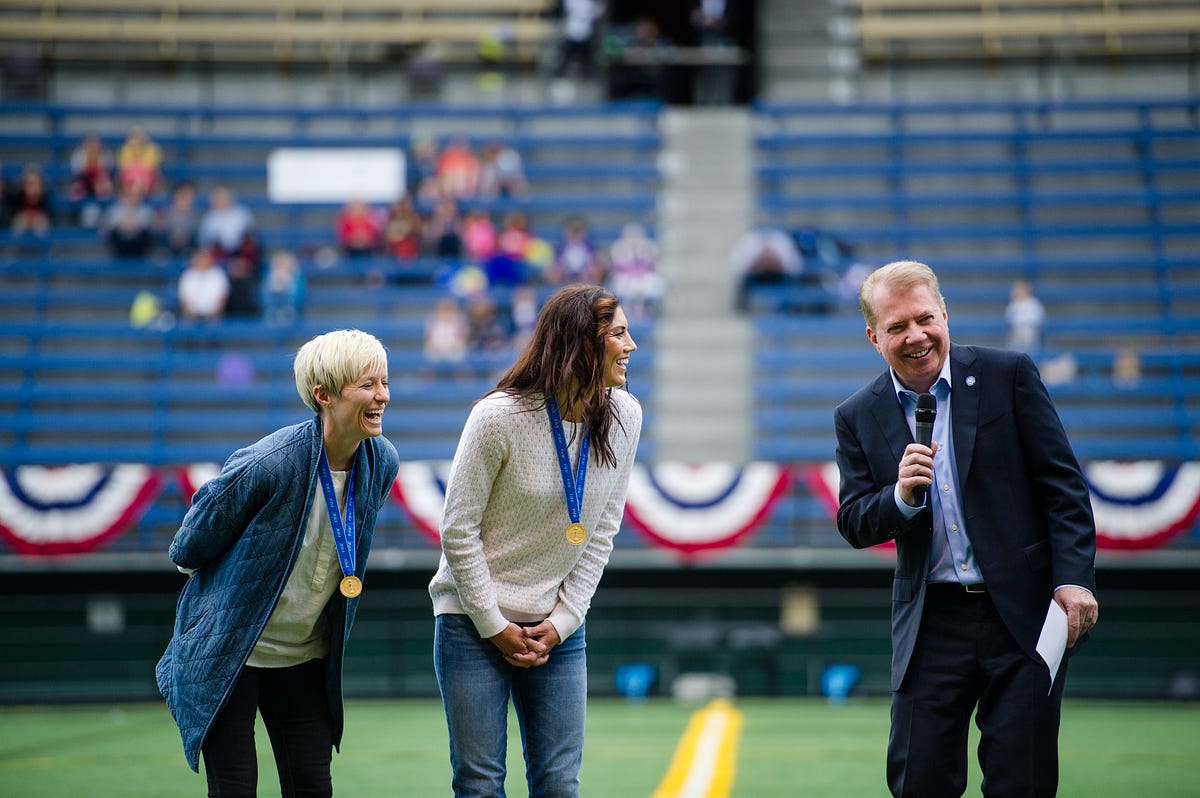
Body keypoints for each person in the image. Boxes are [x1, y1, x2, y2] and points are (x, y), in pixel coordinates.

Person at [833, 260, 1099, 798]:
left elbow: (1064, 488)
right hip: (930, 624)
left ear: (945, 313)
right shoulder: (858, 414)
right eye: (897, 327)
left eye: (925, 318)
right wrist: (900, 499)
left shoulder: (1009, 374)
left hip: (1021, 617)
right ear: (872, 337)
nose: (916, 336)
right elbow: (854, 520)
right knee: (920, 782)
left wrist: (1074, 579)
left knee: (1021, 782)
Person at [155, 328, 400, 795]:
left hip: (306, 656)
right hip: (231, 653)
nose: (382, 396)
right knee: (236, 786)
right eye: (368, 385)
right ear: (323, 394)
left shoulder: (381, 461)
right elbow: (187, 547)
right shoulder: (270, 463)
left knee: (312, 784)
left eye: (385, 383)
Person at [429, 284, 642, 798]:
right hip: (471, 624)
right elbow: (458, 529)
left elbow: (602, 530)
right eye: (618, 334)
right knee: (480, 785)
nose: (631, 345)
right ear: (579, 345)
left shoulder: (627, 416)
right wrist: (494, 623)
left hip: (557, 632)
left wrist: (564, 621)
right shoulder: (497, 416)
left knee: (559, 785)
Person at [1005, 278, 1045, 355]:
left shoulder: (1033, 303)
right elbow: (1009, 319)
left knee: (1028, 335)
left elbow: (1038, 319)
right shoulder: (1013, 305)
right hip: (1016, 331)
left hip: (1030, 330)